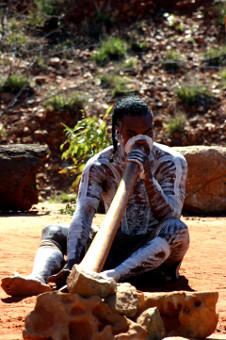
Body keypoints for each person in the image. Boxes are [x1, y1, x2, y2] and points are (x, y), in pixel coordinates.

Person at [1, 96, 189, 297]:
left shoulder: (171, 161)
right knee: (54, 231)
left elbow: (171, 214)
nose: (140, 141)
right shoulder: (99, 165)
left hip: (153, 261)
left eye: (148, 133)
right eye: (131, 134)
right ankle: (38, 278)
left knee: (176, 230)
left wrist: (149, 178)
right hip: (111, 249)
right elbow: (83, 213)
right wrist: (72, 262)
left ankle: (110, 277)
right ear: (117, 133)